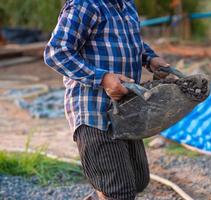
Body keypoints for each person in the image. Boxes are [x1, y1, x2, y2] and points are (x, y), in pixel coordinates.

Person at [44, 0, 169, 199]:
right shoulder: (85, 5)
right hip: (94, 112)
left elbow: (131, 41)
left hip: (126, 111)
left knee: (138, 180)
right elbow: (56, 52)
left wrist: (151, 59)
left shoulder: (126, 4)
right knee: (119, 190)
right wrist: (103, 78)